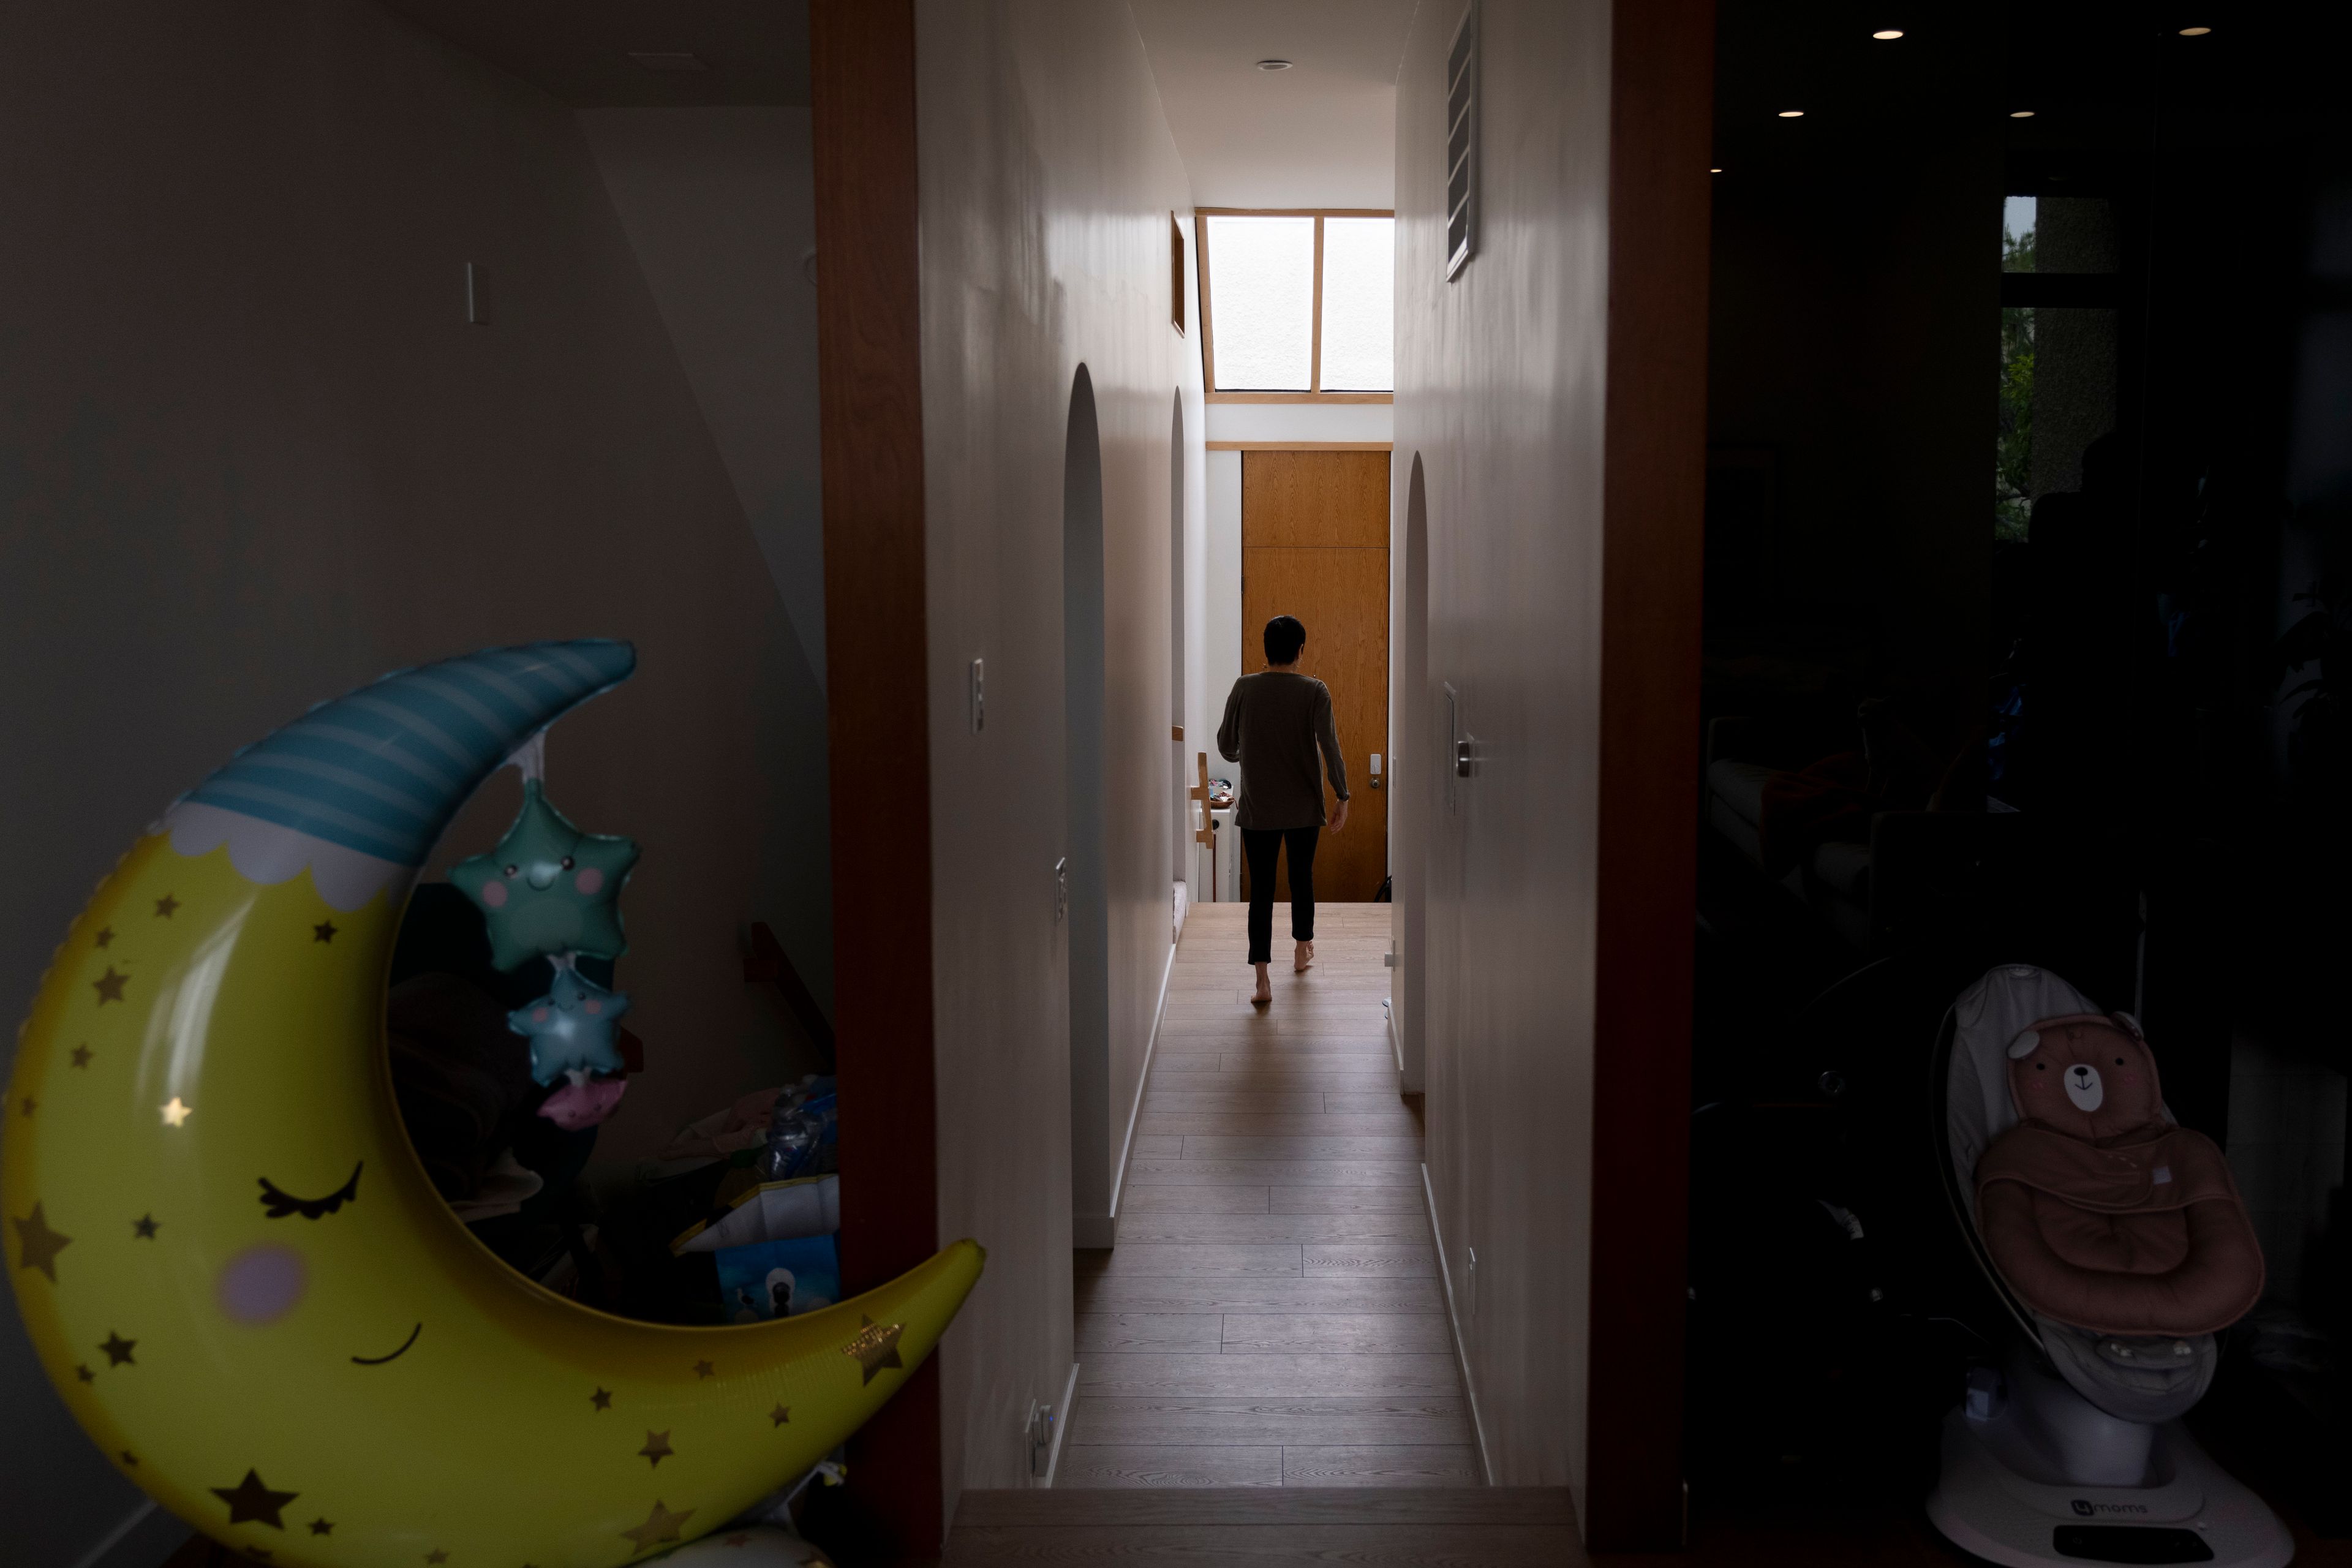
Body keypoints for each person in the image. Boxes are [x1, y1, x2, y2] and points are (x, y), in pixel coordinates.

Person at [1216, 614, 1349, 1005]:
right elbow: (1330, 748)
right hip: (1304, 809)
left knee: (1261, 890)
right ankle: (1301, 949)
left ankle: (1261, 980)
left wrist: (1248, 753)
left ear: (1266, 649)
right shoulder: (1315, 691)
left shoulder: (1245, 688)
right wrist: (1343, 795)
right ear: (1301, 651)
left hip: (1258, 810)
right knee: (1301, 879)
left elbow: (1226, 745)